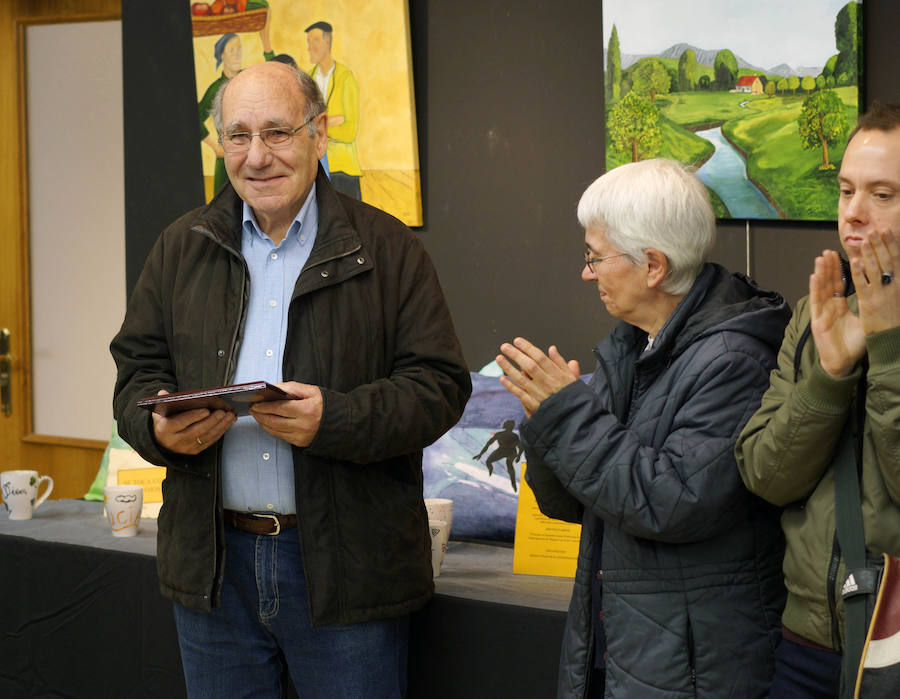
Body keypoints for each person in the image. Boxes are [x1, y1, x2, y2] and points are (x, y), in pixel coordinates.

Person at [110, 61, 471, 698]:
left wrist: (335, 420)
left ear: (320, 133)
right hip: (213, 571)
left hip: (346, 572)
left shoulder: (388, 250)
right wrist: (157, 429)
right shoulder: (179, 247)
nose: (257, 156)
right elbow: (137, 372)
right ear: (219, 143)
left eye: (277, 132)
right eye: (239, 136)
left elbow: (439, 385)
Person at [497, 158, 790, 698]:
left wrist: (566, 415)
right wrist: (547, 420)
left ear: (653, 265)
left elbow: (671, 500)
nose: (587, 272)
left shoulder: (735, 360)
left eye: (595, 257)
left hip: (697, 667)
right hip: (630, 647)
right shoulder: (630, 346)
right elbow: (569, 506)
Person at [736, 102, 900, 698]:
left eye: (883, 194)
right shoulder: (815, 317)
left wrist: (888, 350)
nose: (853, 213)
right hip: (805, 644)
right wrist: (829, 373)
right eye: (846, 189)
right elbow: (763, 474)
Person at [197, 26, 275, 195]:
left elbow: (276, 77)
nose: (237, 53)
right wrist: (216, 147)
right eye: (232, 50)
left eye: (239, 48)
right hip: (227, 163)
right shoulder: (216, 89)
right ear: (222, 56)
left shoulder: (252, 79)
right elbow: (195, 118)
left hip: (256, 158)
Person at [305, 20, 362, 200]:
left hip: (343, 170)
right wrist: (333, 120)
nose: (309, 47)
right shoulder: (307, 80)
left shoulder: (346, 78)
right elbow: (304, 125)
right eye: (308, 42)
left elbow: (349, 132)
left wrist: (319, 125)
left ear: (327, 41)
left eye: (314, 41)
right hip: (314, 171)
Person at [473, 419, 523, 491]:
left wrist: (480, 454)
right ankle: (513, 483)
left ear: (505, 426)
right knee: (509, 465)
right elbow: (521, 448)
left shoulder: (501, 434)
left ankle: (512, 483)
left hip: (506, 451)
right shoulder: (514, 436)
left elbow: (488, 444)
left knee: (490, 462)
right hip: (508, 451)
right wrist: (518, 456)